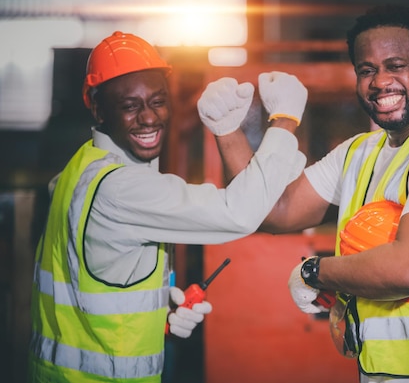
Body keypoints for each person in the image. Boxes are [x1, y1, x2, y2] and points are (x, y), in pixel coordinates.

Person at [214, 5, 409, 382]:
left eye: (396, 65)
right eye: (367, 70)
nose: (381, 81)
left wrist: (315, 272)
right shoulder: (358, 153)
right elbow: (274, 210)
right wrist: (228, 129)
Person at [27, 31, 308, 383]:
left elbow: (89, 290)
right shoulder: (121, 188)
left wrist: (157, 314)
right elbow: (239, 213)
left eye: (157, 101)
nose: (149, 118)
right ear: (97, 107)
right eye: (130, 106)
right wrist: (285, 120)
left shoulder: (78, 168)